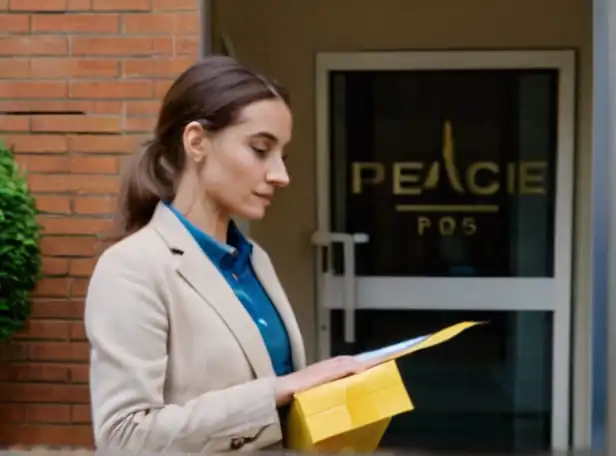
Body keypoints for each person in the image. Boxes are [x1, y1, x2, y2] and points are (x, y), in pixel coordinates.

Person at [84, 55, 367, 453]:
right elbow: (124, 438)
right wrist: (277, 392)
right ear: (196, 141)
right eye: (260, 149)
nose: (280, 175)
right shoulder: (132, 268)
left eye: (282, 155)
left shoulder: (254, 260)